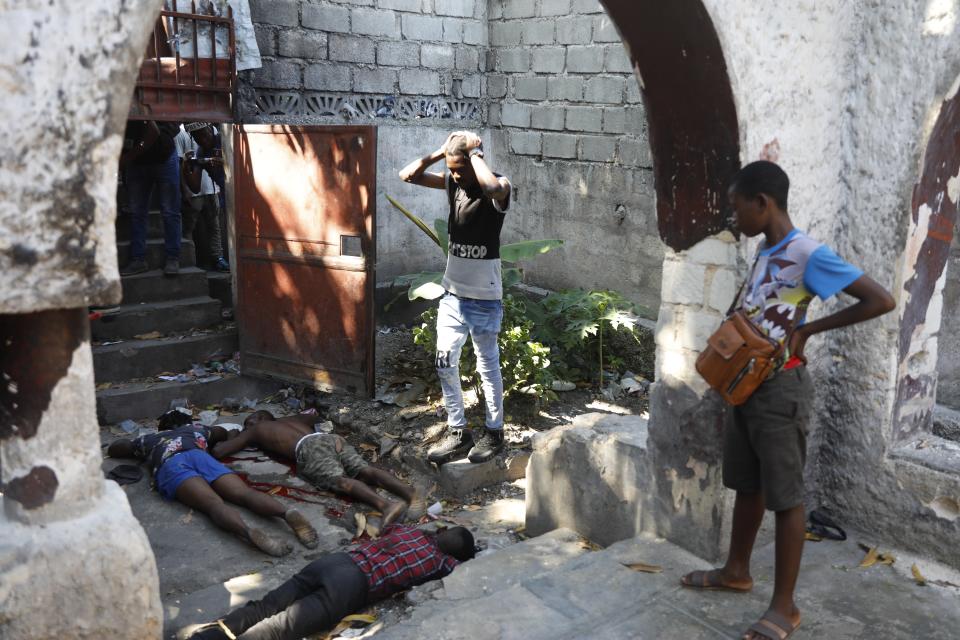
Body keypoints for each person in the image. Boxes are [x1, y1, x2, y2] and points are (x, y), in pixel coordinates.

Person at [680, 161, 895, 640]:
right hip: (746, 385)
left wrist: (809, 330)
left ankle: (785, 607)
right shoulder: (765, 249)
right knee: (748, 486)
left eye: (738, 210)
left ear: (763, 203)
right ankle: (736, 571)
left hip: (782, 390)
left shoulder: (808, 253)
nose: (734, 220)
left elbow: (879, 300)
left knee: (787, 497)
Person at [398, 131, 512, 466]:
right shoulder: (453, 185)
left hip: (484, 298)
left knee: (487, 366)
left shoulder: (500, 187)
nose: (456, 175)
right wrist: (441, 152)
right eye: (453, 169)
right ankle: (459, 433)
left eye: (460, 169)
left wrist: (474, 153)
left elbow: (490, 187)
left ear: (476, 161)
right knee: (445, 362)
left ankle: (495, 434)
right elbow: (408, 175)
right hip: (452, 296)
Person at [189, 524, 476, 640]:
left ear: (442, 530)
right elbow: (463, 566)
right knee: (281, 626)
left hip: (336, 562)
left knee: (268, 604)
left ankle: (208, 636)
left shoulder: (414, 532)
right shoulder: (441, 561)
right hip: (353, 585)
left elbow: (389, 527)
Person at [108, 423, 319, 556]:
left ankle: (248, 532)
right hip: (199, 455)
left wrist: (137, 447)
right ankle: (286, 513)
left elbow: (116, 448)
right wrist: (223, 435)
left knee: (212, 504)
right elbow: (221, 432)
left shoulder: (150, 440)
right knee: (244, 494)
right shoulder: (195, 429)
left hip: (172, 463)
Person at [211, 410, 415, 527]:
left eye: (248, 422)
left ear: (261, 419)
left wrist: (233, 435)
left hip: (309, 449)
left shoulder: (256, 429)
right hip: (328, 438)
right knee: (364, 470)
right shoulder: (290, 421)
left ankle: (386, 505)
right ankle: (408, 493)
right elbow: (313, 417)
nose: (247, 427)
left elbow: (220, 452)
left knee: (340, 481)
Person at [120, 118, 182, 277]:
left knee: (169, 211)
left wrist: (128, 158)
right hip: (138, 161)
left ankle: (172, 258)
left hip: (163, 155)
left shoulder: (131, 106)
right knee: (137, 212)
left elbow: (153, 132)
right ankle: (138, 259)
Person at [175, 123, 229, 272]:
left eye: (204, 134)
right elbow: (194, 184)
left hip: (217, 191)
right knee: (189, 227)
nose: (203, 139)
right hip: (201, 193)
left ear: (210, 129)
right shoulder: (198, 151)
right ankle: (189, 260)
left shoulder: (224, 139)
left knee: (215, 226)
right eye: (198, 137)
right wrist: (186, 172)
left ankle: (218, 258)